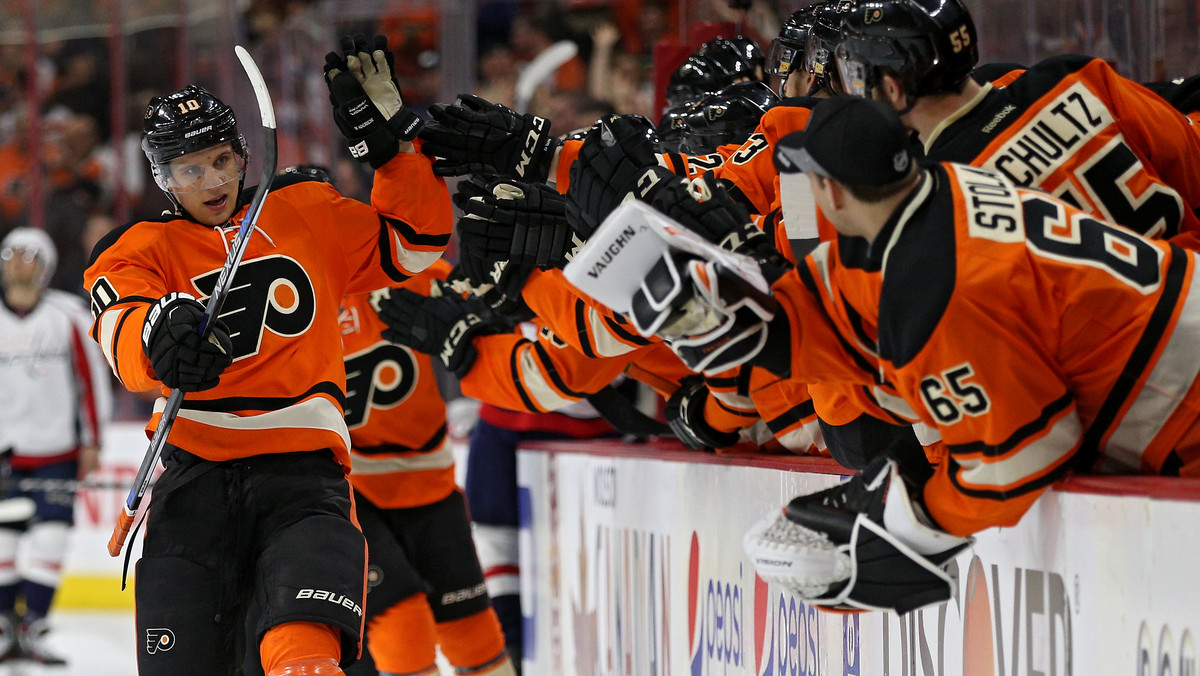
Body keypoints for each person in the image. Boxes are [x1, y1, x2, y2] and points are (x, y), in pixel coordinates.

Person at [624, 96, 1200, 613]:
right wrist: (765, 318)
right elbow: (850, 297)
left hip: (1185, 407)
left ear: (833, 192)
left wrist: (916, 518)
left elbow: (1024, 456)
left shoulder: (936, 285)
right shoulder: (936, 196)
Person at [82, 35, 451, 676]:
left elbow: (415, 244)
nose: (213, 181)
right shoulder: (138, 247)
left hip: (302, 480)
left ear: (244, 154)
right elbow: (119, 327)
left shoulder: (306, 211)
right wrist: (156, 338)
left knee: (304, 662)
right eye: (191, 169)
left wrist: (396, 156)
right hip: (193, 479)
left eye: (222, 160)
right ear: (163, 178)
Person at [835, 0, 1200, 249]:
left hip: (1126, 350)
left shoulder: (939, 193)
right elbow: (1185, 151)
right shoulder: (1072, 74)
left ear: (895, 89)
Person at [337, 266, 516, 676]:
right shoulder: (295, 284)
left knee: (475, 636)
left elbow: (493, 305)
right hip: (345, 492)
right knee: (404, 630)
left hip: (428, 482)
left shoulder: (406, 267)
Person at [0, 227, 111, 664]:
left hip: (57, 452)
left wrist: (93, 441)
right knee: (3, 544)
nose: (19, 261)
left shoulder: (68, 317)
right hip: (6, 454)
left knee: (50, 540)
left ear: (45, 266)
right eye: (12, 252)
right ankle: (7, 628)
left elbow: (91, 384)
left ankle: (36, 627)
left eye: (30, 254)